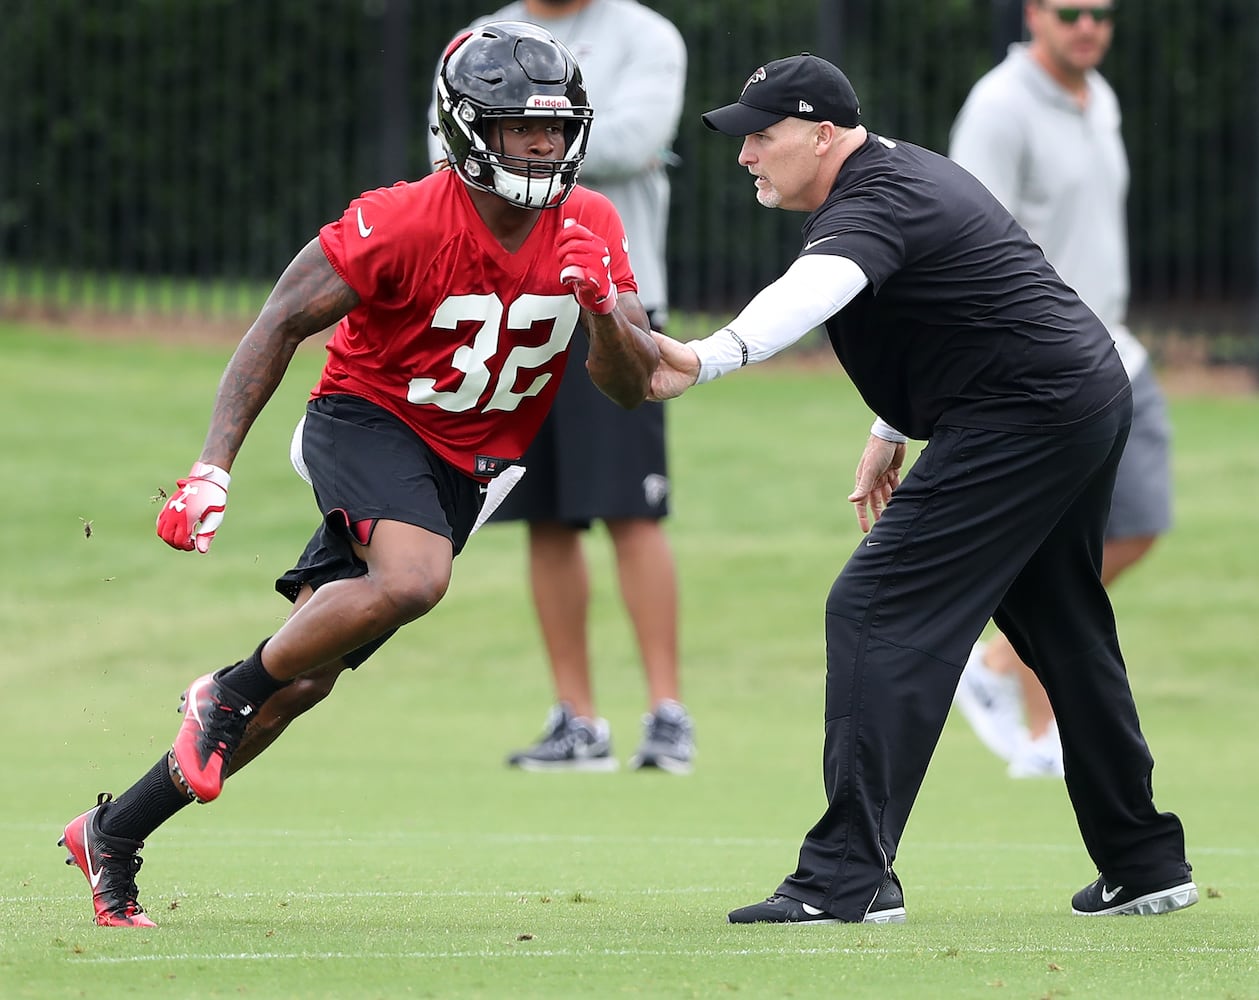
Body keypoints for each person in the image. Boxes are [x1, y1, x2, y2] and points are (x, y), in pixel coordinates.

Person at [58, 21, 659, 928]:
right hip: (366, 417)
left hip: (467, 464)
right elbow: (278, 321)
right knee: (413, 580)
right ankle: (222, 690)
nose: (541, 145)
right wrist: (211, 466)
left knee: (306, 678)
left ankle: (114, 832)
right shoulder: (406, 218)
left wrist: (604, 310)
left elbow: (628, 386)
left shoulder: (592, 223)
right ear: (466, 130)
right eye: (515, 126)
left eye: (553, 127)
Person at [647, 52, 1196, 923]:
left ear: (821, 133)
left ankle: (845, 880)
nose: (745, 154)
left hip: (1025, 413)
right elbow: (955, 303)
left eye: (762, 135)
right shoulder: (892, 176)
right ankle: (1142, 858)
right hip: (1075, 396)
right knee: (1060, 623)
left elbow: (819, 288)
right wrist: (890, 427)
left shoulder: (872, 201)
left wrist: (707, 356)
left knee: (873, 607)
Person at [425, 0, 692, 774]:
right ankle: (578, 721)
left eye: (557, 125)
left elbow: (640, 138)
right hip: (504, 305)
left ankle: (666, 714)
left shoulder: (646, 34)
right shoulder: (476, 36)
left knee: (631, 510)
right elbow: (444, 155)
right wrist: (546, 137)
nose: (544, 140)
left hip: (616, 302)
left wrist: (508, 131)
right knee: (542, 515)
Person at [947, 0, 1172, 780]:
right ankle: (1044, 737)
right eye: (1071, 12)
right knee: (1061, 542)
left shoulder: (1097, 96)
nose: (1089, 28)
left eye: (1103, 15)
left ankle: (996, 663)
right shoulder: (999, 107)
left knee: (1135, 525)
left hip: (1114, 350)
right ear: (1035, 13)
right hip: (1043, 361)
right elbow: (961, 235)